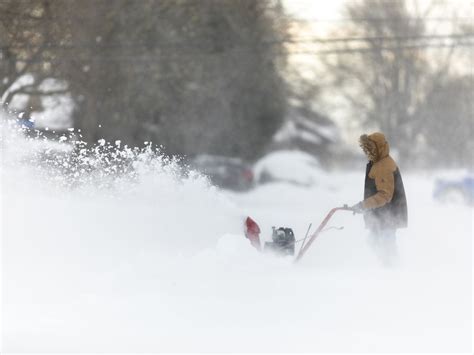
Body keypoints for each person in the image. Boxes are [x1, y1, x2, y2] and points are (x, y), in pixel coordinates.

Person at [351, 132, 407, 265]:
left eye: (370, 149)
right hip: (381, 215)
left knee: (386, 245)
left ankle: (393, 270)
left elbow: (385, 195)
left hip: (388, 215)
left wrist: (363, 205)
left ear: (379, 148)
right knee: (374, 242)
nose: (367, 152)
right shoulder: (379, 163)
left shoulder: (384, 166)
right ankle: (386, 267)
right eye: (366, 149)